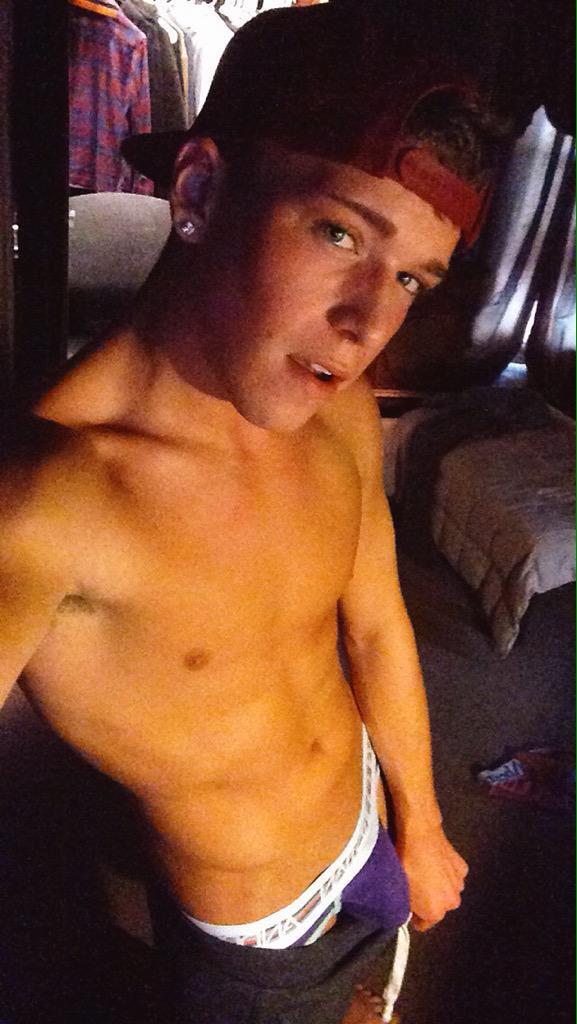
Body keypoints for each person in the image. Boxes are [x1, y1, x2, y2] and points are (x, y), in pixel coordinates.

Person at [1, 4, 501, 1022]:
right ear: (199, 189)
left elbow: (375, 624)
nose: (368, 323)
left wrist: (420, 820)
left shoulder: (342, 409)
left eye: (410, 279)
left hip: (369, 820)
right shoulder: (49, 504)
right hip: (257, 931)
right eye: (338, 233)